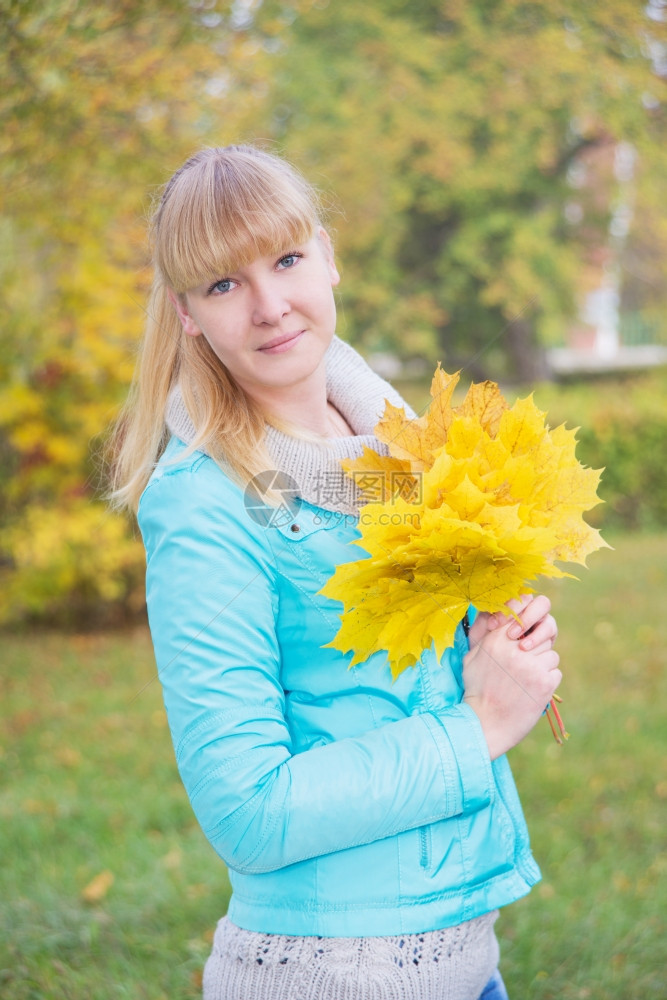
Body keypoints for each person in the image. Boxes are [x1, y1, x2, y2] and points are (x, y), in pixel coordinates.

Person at [110, 144, 561, 1000]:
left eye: (285, 259)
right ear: (187, 315)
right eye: (223, 283)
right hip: (336, 973)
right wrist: (478, 727)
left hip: (463, 958)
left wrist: (496, 639)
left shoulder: (395, 454)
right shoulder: (202, 502)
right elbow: (248, 811)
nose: (270, 306)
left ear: (327, 254)